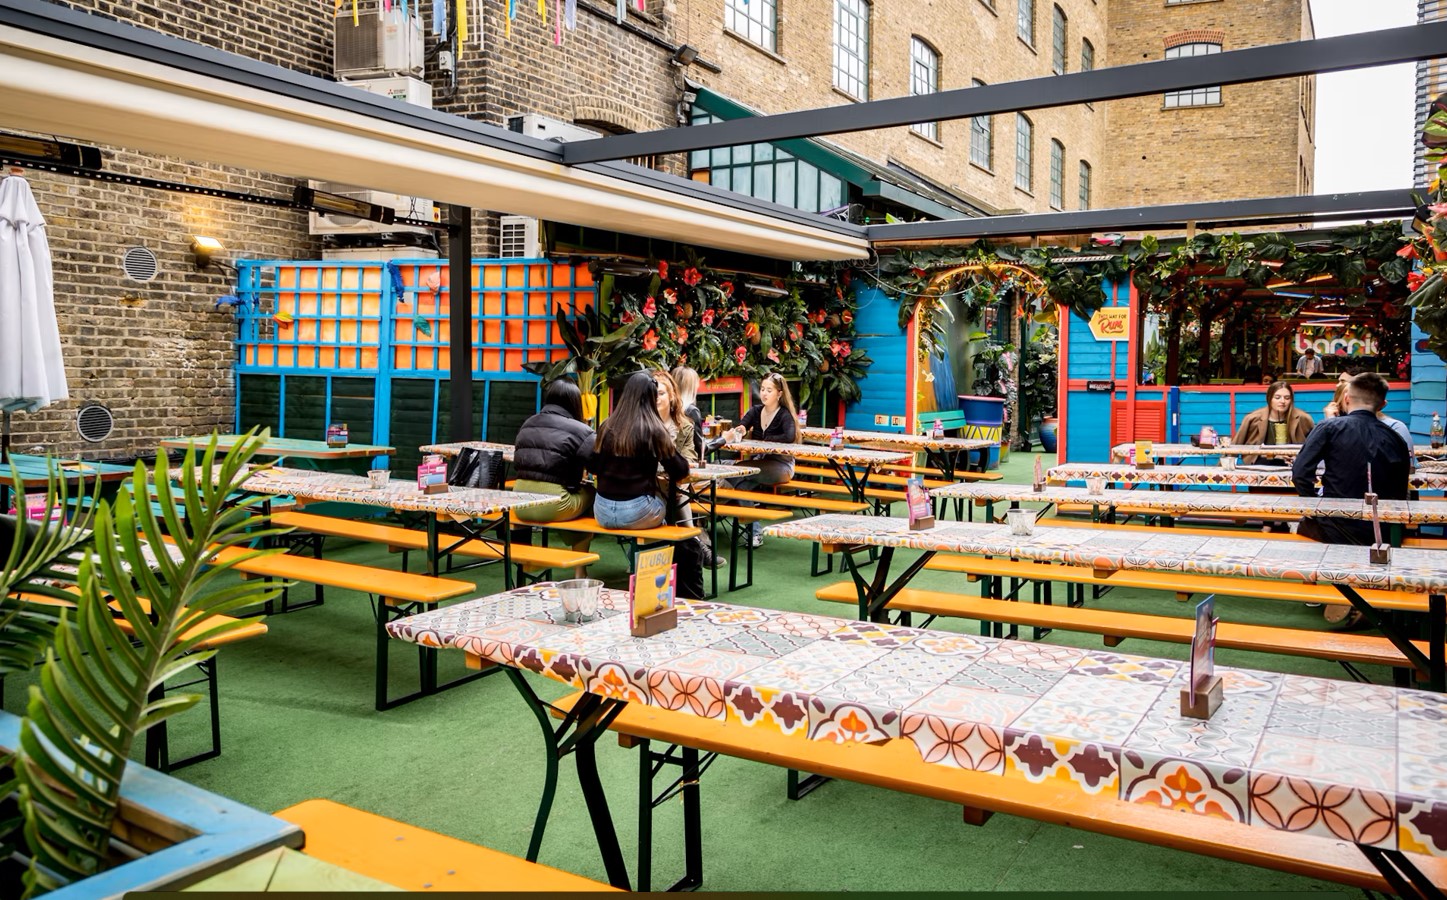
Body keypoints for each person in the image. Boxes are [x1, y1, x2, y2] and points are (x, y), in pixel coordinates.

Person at [1292, 373, 1411, 626]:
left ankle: (1348, 589)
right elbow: (1402, 490)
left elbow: (1301, 473)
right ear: (1382, 405)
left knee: (1303, 526)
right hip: (1383, 531)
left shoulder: (1329, 427)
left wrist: (1313, 505)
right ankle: (1361, 590)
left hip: (1336, 525)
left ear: (1346, 397)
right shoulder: (1396, 438)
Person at [588, 371, 690, 530]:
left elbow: (593, 466)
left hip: (602, 511)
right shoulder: (654, 429)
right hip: (637, 511)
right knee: (666, 510)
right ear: (651, 397)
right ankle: (682, 550)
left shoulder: (607, 425)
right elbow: (680, 470)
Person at [723, 372, 798, 547]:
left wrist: (764, 440)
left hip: (781, 466)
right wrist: (740, 430)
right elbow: (743, 425)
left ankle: (751, 530)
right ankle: (755, 533)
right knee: (741, 484)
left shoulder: (785, 415)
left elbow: (789, 436)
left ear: (779, 394)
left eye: (769, 390)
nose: (764, 393)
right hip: (758, 462)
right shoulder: (756, 411)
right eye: (762, 389)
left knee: (736, 470)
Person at [512, 379, 595, 524]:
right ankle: (579, 545)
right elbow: (596, 465)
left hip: (519, 502)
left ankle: (523, 544)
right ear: (575, 402)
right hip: (553, 504)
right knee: (591, 492)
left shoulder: (528, 423)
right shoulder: (582, 430)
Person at [1231, 381, 1314, 464]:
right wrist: (1222, 469)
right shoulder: (1253, 418)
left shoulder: (1303, 418)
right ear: (1269, 398)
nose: (1282, 401)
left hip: (1293, 464)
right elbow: (1235, 446)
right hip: (1261, 463)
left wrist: (1297, 457)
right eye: (1277, 397)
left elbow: (1314, 446)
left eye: (1287, 398)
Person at [671, 365, 705, 462]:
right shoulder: (691, 411)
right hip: (686, 464)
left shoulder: (667, 408)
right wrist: (723, 439)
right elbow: (700, 449)